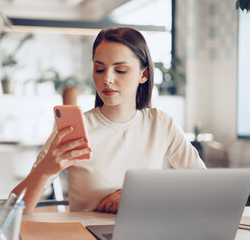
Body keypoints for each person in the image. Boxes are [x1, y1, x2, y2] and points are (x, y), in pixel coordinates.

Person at [11, 27, 206, 213]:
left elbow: (204, 186)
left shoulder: (161, 124)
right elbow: (14, 208)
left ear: (143, 74)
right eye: (99, 69)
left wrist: (143, 195)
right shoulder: (73, 130)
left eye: (120, 70)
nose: (107, 79)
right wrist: (45, 170)